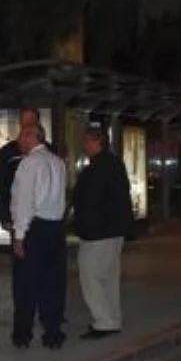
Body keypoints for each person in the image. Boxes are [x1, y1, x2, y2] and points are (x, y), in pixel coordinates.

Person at [72, 126, 133, 339]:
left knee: (90, 275)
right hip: (113, 230)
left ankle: (103, 321)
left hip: (99, 233)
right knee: (109, 277)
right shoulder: (113, 163)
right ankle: (112, 319)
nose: (84, 145)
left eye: (87, 141)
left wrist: (84, 226)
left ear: (97, 142)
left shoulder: (98, 168)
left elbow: (90, 202)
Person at [10, 123, 67, 349]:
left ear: (31, 137)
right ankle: (52, 333)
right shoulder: (58, 162)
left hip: (36, 228)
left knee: (26, 283)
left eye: (21, 137)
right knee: (53, 282)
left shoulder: (29, 164)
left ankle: (22, 334)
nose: (18, 142)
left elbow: (24, 201)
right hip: (55, 227)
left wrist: (19, 235)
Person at [0, 107, 42, 233]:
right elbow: (1, 186)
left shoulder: (49, 151)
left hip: (42, 218)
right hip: (17, 218)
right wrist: (5, 218)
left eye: (31, 122)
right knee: (20, 251)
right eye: (24, 122)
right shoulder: (7, 152)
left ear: (38, 123)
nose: (27, 126)